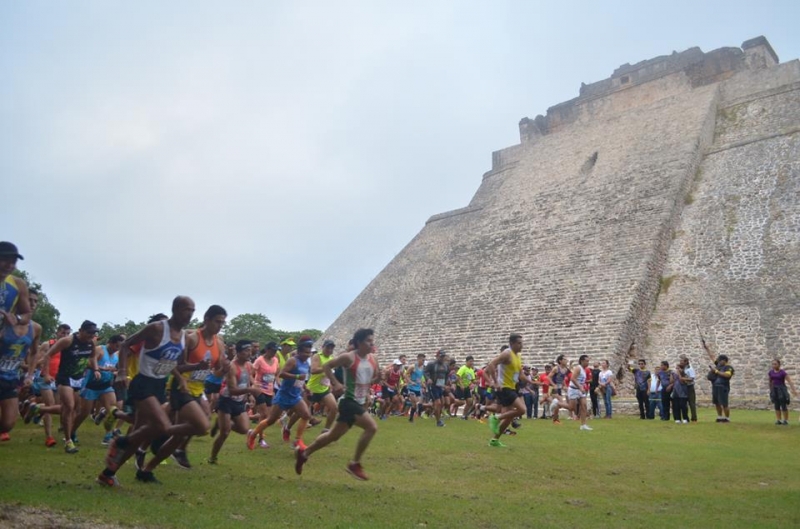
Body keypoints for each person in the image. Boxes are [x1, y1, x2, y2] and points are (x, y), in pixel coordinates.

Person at [97, 296, 197, 487]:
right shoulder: (157, 328)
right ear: (175, 309)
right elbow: (126, 344)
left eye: (193, 310)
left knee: (141, 434)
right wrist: (122, 372)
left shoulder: (184, 336)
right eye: (186, 309)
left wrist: (183, 376)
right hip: (143, 383)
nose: (190, 314)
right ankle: (121, 441)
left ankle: (107, 473)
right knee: (163, 426)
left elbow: (174, 363)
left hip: (159, 386)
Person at [295, 328, 380, 480]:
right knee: (371, 427)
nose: (371, 344)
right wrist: (335, 383)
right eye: (368, 341)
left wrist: (368, 391)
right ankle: (355, 463)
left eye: (372, 341)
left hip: (359, 402)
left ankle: (304, 453)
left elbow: (369, 379)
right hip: (348, 402)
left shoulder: (373, 359)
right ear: (359, 343)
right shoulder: (348, 357)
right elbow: (327, 366)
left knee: (332, 436)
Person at [154, 304, 227, 470]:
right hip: (182, 386)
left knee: (201, 422)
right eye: (217, 321)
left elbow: (215, 373)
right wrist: (193, 369)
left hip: (198, 388)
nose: (220, 326)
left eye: (223, 323)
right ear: (206, 319)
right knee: (199, 425)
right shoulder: (191, 338)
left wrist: (224, 369)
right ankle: (160, 438)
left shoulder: (219, 344)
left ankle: (166, 445)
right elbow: (175, 366)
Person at [35, 320, 102, 453]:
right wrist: (46, 374)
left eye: (94, 333)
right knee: (69, 407)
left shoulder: (91, 343)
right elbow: (48, 355)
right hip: (64, 377)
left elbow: (93, 356)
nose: (91, 335)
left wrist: (96, 369)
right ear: (81, 330)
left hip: (78, 378)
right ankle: (68, 441)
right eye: (89, 332)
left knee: (73, 409)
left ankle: (41, 409)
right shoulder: (68, 341)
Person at [247, 336, 313, 451]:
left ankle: (297, 440)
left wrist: (306, 388)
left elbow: (301, 379)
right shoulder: (293, 360)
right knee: (271, 420)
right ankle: (253, 434)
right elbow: (282, 374)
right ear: (299, 351)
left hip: (295, 395)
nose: (308, 355)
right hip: (284, 395)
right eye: (306, 353)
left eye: (309, 353)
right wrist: (296, 376)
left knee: (306, 415)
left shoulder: (306, 364)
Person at [209, 340, 259, 463]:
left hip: (240, 401)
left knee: (243, 429)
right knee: (225, 433)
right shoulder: (231, 366)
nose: (249, 353)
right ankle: (212, 458)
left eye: (250, 350)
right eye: (246, 351)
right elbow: (232, 390)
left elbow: (247, 381)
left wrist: (249, 395)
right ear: (239, 352)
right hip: (226, 400)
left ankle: (221, 422)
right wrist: (250, 390)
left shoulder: (248, 365)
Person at [0, 291, 41, 441]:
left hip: (11, 377)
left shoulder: (36, 328)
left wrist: (30, 374)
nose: (31, 304)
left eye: (35, 301)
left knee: (8, 423)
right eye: (28, 300)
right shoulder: (4, 322)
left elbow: (34, 353)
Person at [485, 334, 528, 447]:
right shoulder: (507, 353)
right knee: (522, 410)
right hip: (504, 387)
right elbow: (491, 364)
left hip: (512, 386)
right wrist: (495, 382)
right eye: (519, 343)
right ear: (512, 343)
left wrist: (531, 382)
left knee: (509, 418)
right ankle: (495, 417)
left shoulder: (518, 356)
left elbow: (520, 374)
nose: (521, 345)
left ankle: (494, 440)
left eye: (521, 343)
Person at [251, 341, 279, 447]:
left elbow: (276, 373)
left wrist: (278, 381)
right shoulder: (260, 360)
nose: (274, 353)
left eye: (275, 351)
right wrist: (254, 383)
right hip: (259, 390)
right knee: (264, 415)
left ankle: (249, 421)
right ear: (267, 350)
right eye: (272, 350)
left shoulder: (276, 360)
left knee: (269, 416)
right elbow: (251, 373)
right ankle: (260, 439)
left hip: (270, 390)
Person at [306, 339, 338, 433]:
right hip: (312, 388)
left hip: (324, 389)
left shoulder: (331, 359)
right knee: (302, 412)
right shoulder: (317, 356)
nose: (329, 349)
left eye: (331, 348)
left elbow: (330, 374)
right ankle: (287, 425)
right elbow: (313, 370)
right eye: (328, 347)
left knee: (334, 408)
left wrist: (332, 383)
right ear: (323, 347)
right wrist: (326, 368)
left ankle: (326, 430)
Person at [0, 242, 33, 328]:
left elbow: (27, 313)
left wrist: (16, 318)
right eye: (4, 260)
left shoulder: (19, 284)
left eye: (13, 262)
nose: (9, 265)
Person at [702, 342, 735, 423]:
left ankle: (727, 418)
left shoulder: (728, 367)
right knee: (717, 403)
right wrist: (707, 348)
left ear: (724, 360)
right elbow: (712, 357)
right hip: (715, 386)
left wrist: (716, 371)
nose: (719, 361)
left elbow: (727, 375)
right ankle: (720, 417)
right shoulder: (719, 365)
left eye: (720, 360)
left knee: (724, 404)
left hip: (723, 387)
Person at [425, 349, 450, 427]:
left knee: (441, 403)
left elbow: (446, 376)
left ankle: (429, 412)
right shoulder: (431, 364)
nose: (442, 358)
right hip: (433, 386)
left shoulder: (446, 365)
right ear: (437, 356)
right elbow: (425, 372)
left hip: (440, 386)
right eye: (441, 356)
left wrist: (446, 385)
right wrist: (428, 378)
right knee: (438, 403)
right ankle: (438, 421)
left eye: (443, 356)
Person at [768, 359, 796, 425]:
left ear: (779, 365)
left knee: (783, 405)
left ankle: (785, 420)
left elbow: (790, 381)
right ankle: (778, 420)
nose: (774, 365)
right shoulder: (771, 372)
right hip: (774, 389)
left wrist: (794, 390)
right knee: (776, 405)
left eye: (775, 364)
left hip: (782, 389)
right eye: (773, 364)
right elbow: (770, 382)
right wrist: (771, 390)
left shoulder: (782, 372)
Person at [405, 353, 426, 422]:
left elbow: (419, 378)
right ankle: (419, 414)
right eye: (422, 360)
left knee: (416, 404)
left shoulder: (422, 368)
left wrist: (423, 384)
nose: (423, 361)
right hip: (411, 387)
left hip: (418, 387)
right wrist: (410, 382)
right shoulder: (412, 367)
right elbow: (406, 375)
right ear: (418, 359)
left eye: (424, 360)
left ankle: (411, 418)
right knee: (416, 402)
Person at [679, 354, 697, 422]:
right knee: (683, 403)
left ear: (686, 362)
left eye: (682, 362)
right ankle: (685, 418)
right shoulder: (683, 369)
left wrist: (683, 378)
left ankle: (694, 418)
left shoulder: (690, 369)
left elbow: (692, 378)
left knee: (691, 403)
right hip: (684, 387)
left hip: (689, 387)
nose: (680, 363)